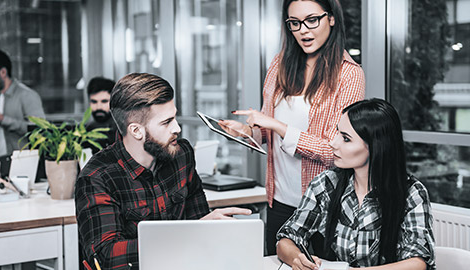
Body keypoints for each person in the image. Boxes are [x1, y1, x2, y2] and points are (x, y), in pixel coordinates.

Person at [219, 0, 365, 254]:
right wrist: (245, 132)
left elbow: (336, 152)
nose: (303, 31)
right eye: (294, 23)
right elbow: (267, 133)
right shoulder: (279, 65)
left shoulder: (349, 74)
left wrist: (277, 124)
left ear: (331, 18)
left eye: (312, 20)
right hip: (279, 202)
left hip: (324, 205)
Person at [75, 73, 251, 269]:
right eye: (166, 122)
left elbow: (198, 220)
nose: (177, 128)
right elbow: (106, 258)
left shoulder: (181, 154)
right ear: (136, 131)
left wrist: (206, 228)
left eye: (174, 117)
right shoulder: (97, 177)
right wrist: (193, 232)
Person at [276, 99, 435, 269]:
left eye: (345, 139)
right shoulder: (325, 184)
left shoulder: (412, 193)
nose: (333, 143)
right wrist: (297, 258)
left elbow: (418, 262)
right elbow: (286, 239)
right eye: (338, 133)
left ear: (376, 146)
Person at [0, 49, 45, 157]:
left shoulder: (27, 95)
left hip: (23, 162)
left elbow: (39, 130)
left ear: (3, 72)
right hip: (0, 160)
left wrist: (3, 119)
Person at [86, 76, 117, 153]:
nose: (98, 107)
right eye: (94, 102)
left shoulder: (124, 131)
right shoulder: (87, 130)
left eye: (104, 101)